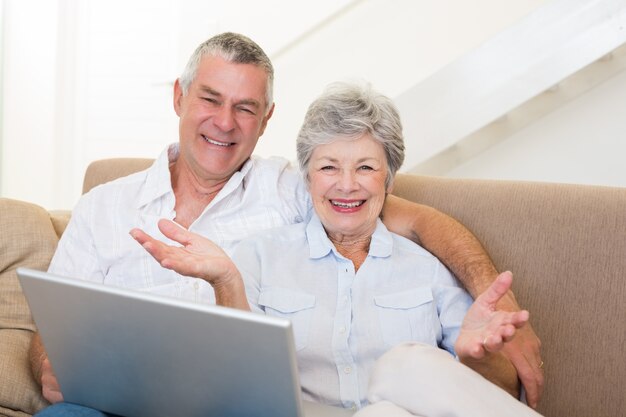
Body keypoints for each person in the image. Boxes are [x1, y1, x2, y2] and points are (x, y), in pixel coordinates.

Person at [30, 32, 542, 416]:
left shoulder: (287, 190)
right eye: (210, 99)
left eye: (245, 108)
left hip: (238, 406)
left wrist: (497, 310)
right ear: (179, 98)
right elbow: (49, 324)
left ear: (267, 118)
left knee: (399, 383)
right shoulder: (104, 206)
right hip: (118, 403)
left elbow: (418, 222)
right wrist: (48, 368)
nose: (225, 122)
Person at [131, 82, 541, 416]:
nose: (347, 184)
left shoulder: (426, 268)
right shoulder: (259, 258)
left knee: (398, 388)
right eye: (329, 167)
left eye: (365, 167)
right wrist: (225, 282)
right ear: (307, 180)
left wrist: (478, 358)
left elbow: (497, 392)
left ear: (389, 181)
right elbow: (234, 380)